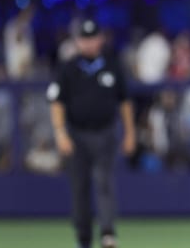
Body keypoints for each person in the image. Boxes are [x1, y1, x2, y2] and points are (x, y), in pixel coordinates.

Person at [47, 19, 135, 248]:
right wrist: (60, 133)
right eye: (84, 39)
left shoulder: (112, 66)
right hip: (76, 135)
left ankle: (107, 233)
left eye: (92, 38)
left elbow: (124, 102)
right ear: (77, 41)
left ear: (100, 39)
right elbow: (56, 102)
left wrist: (129, 133)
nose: (88, 43)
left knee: (104, 181)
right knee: (80, 188)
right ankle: (83, 238)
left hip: (105, 133)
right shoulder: (68, 68)